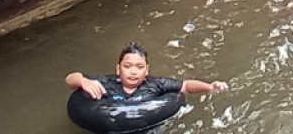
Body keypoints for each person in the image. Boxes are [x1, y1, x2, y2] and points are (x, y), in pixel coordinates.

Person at [65, 42, 228, 104]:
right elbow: (70, 79)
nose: (133, 71)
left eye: (139, 67)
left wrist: (210, 87)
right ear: (118, 69)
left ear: (146, 71)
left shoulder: (155, 85)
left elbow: (185, 85)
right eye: (127, 66)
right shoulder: (106, 83)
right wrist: (83, 81)